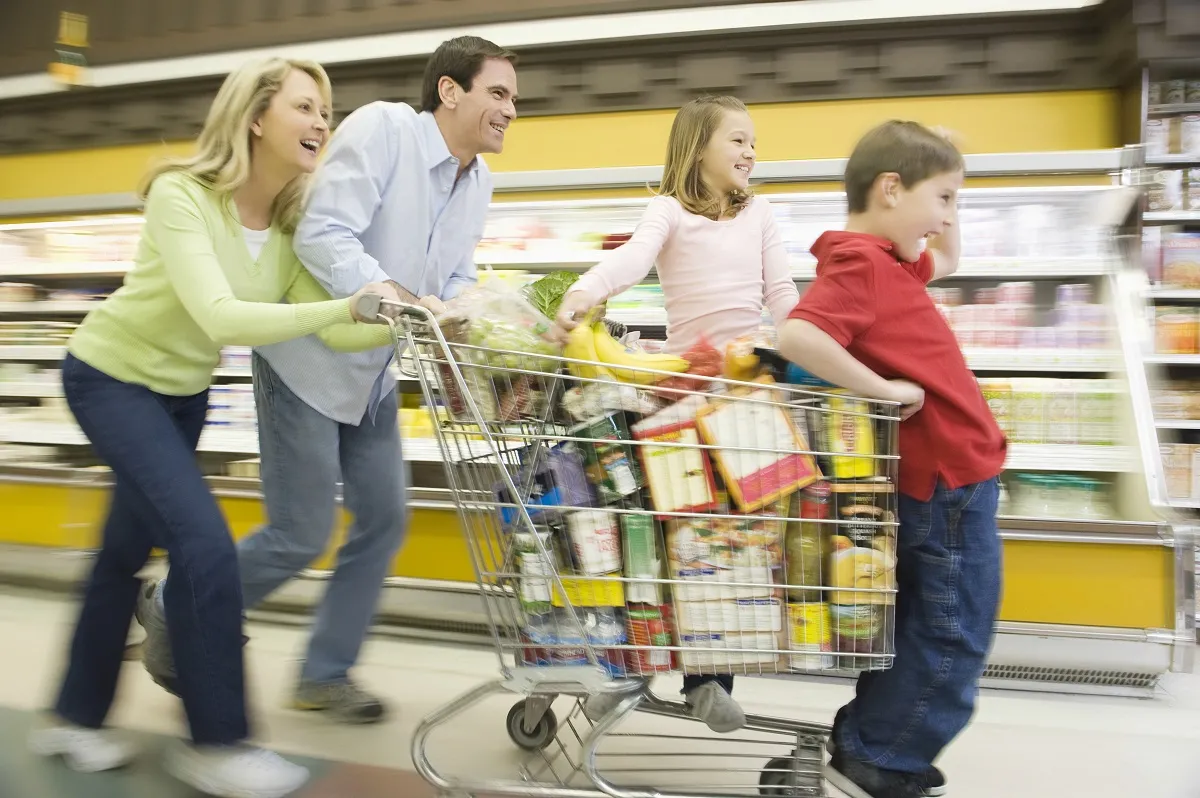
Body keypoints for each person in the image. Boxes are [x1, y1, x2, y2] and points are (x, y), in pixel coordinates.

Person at [28, 57, 396, 798]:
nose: (322, 121)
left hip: (181, 396)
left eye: (326, 108)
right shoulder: (181, 196)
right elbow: (221, 316)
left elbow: (334, 335)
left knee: (120, 554)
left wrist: (406, 317)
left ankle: (73, 717)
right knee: (202, 545)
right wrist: (345, 305)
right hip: (109, 379)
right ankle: (218, 741)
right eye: (305, 106)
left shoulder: (287, 228)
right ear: (255, 117)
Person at [136, 35, 519, 724]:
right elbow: (323, 234)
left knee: (383, 519)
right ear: (450, 91)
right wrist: (402, 298)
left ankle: (324, 673)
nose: (511, 109)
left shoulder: (479, 181)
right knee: (301, 532)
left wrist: (469, 315)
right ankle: (173, 603)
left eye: (513, 97)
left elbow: (454, 276)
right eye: (499, 92)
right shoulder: (383, 130)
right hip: (307, 360)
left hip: (372, 375)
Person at [553, 95, 801, 733]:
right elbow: (633, 257)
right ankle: (634, 667)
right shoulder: (668, 211)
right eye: (738, 141)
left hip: (746, 395)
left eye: (754, 142)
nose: (752, 153)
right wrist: (584, 294)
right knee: (664, 534)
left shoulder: (762, 214)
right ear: (698, 150)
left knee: (729, 540)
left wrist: (803, 336)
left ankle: (710, 678)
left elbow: (781, 293)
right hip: (682, 390)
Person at [778, 121, 1005, 798]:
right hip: (945, 486)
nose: (946, 218)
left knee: (923, 626)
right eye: (942, 198)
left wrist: (946, 190)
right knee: (951, 633)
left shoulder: (890, 261)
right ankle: (880, 757)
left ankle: (873, 735)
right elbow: (797, 334)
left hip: (954, 481)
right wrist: (882, 390)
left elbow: (951, 260)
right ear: (889, 190)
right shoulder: (862, 265)